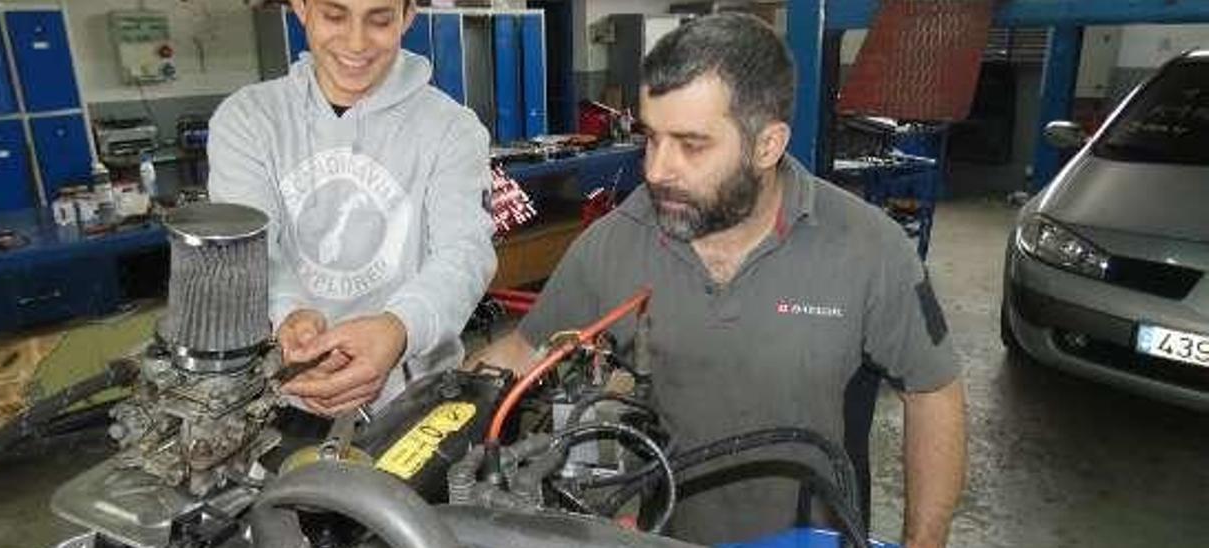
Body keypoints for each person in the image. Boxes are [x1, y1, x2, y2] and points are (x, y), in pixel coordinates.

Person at [469, 13, 966, 548]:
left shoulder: (871, 251)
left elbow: (933, 392)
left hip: (816, 536)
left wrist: (925, 541)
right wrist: (414, 427)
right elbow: (522, 348)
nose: (657, 170)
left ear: (767, 145)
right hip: (670, 532)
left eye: (691, 144)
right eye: (651, 138)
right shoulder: (615, 243)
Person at [208, 0, 496, 416]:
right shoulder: (248, 120)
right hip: (283, 394)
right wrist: (287, 313)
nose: (356, 42)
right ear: (302, 8)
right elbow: (249, 252)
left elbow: (465, 254)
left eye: (379, 19)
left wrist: (399, 328)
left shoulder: (451, 128)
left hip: (412, 400)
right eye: (335, 16)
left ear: (407, 16)